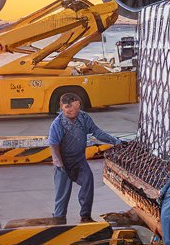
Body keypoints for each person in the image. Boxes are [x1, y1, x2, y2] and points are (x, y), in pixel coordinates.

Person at [48, 92, 122, 223]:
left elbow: (97, 132)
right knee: (62, 193)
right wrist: (59, 163)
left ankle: (85, 217)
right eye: (68, 108)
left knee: (88, 181)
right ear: (61, 106)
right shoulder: (57, 124)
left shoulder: (83, 118)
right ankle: (58, 220)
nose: (73, 111)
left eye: (76, 108)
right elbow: (53, 145)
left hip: (79, 161)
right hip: (63, 163)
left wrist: (115, 141)